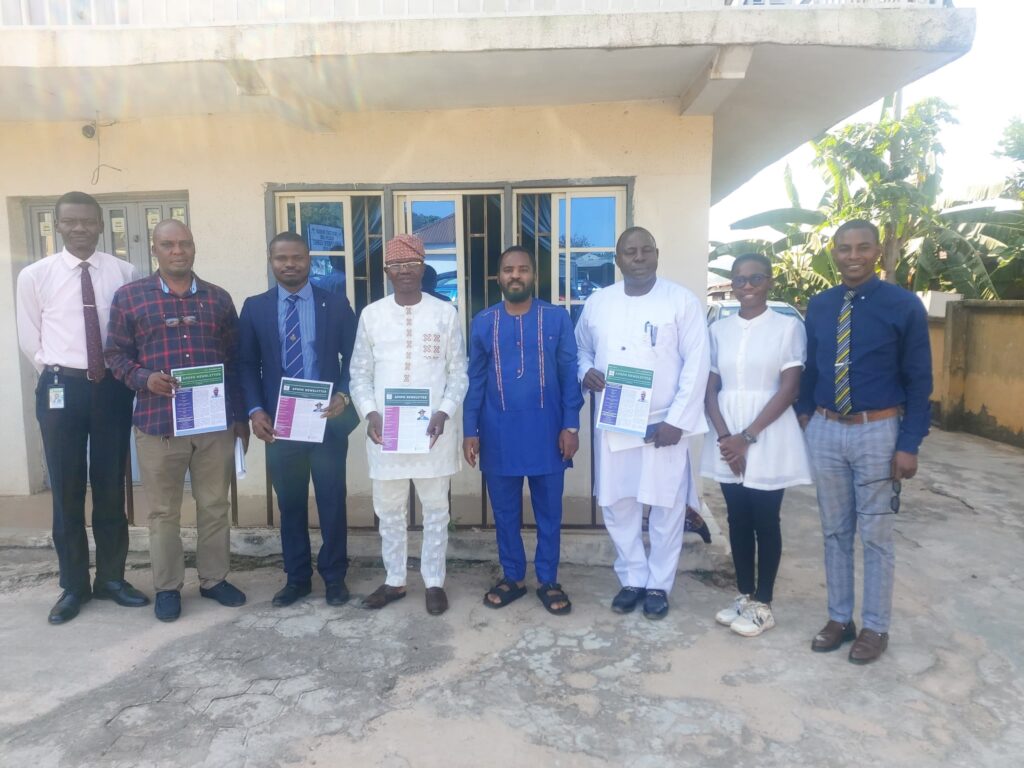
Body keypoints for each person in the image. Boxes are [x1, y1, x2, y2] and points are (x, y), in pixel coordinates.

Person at [796, 219, 932, 664]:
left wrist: (909, 443)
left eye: (862, 248)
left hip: (878, 430)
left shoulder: (903, 305)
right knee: (835, 532)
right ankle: (840, 618)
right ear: (833, 253)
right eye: (844, 248)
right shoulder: (819, 305)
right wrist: (804, 414)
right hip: (826, 429)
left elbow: (918, 380)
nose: (853, 256)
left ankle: (875, 627)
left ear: (876, 252)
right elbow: (813, 366)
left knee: (875, 535)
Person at [105, 219, 250, 623]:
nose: (177, 251)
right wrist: (143, 379)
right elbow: (114, 354)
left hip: (212, 424)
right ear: (155, 249)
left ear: (194, 248)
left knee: (215, 505)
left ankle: (214, 579)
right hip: (158, 424)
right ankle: (168, 587)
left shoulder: (218, 300)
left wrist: (238, 417)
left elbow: (234, 361)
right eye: (168, 244)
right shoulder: (130, 298)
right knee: (163, 512)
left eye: (184, 243)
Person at [16, 191, 148, 624]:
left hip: (111, 388)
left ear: (100, 223)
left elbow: (129, 332)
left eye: (87, 221)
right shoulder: (36, 275)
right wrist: (55, 370)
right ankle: (73, 586)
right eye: (70, 222)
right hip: (61, 389)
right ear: (57, 226)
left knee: (110, 485)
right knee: (67, 490)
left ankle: (111, 578)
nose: (79, 229)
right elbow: (30, 335)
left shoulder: (124, 272)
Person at [576, 227, 710, 620]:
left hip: (662, 425)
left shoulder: (680, 301)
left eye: (645, 250)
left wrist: (677, 421)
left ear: (657, 254)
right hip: (617, 418)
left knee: (666, 506)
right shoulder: (599, 302)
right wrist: (586, 372)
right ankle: (633, 577)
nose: (638, 257)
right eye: (629, 251)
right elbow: (580, 348)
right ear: (617, 259)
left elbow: (697, 364)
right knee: (619, 503)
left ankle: (659, 585)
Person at [349, 234, 469, 616]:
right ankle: (395, 579)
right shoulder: (371, 314)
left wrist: (444, 411)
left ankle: (434, 581)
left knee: (436, 510)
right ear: (386, 271)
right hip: (386, 433)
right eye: (396, 266)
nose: (404, 272)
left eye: (411, 265)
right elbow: (358, 374)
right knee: (389, 510)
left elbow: (459, 372)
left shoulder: (444, 314)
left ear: (423, 268)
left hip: (432, 433)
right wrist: (369, 412)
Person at [238, 232, 358, 608]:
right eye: (281, 258)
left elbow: (356, 360)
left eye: (297, 258)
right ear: (271, 261)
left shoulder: (335, 305)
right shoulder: (255, 307)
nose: (289, 264)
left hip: (326, 420)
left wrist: (343, 395)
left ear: (309, 259)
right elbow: (246, 363)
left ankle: (335, 577)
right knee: (289, 503)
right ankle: (297, 578)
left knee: (332, 501)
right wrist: (255, 410)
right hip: (280, 425)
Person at [463, 246, 584, 615]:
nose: (516, 276)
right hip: (498, 432)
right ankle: (513, 576)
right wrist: (470, 430)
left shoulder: (557, 319)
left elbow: (569, 374)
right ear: (498, 277)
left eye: (523, 269)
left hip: (548, 433)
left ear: (534, 275)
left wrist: (571, 425)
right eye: (508, 270)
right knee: (505, 513)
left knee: (549, 513)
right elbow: (476, 379)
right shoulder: (483, 322)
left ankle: (548, 579)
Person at [702, 253, 812, 637]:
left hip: (768, 432)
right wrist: (725, 439)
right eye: (740, 279)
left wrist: (747, 438)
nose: (747, 286)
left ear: (769, 282)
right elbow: (711, 389)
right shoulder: (718, 330)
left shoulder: (786, 328)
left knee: (765, 519)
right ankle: (744, 595)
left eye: (755, 278)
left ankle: (764, 603)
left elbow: (790, 387)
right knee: (737, 517)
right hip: (727, 431)